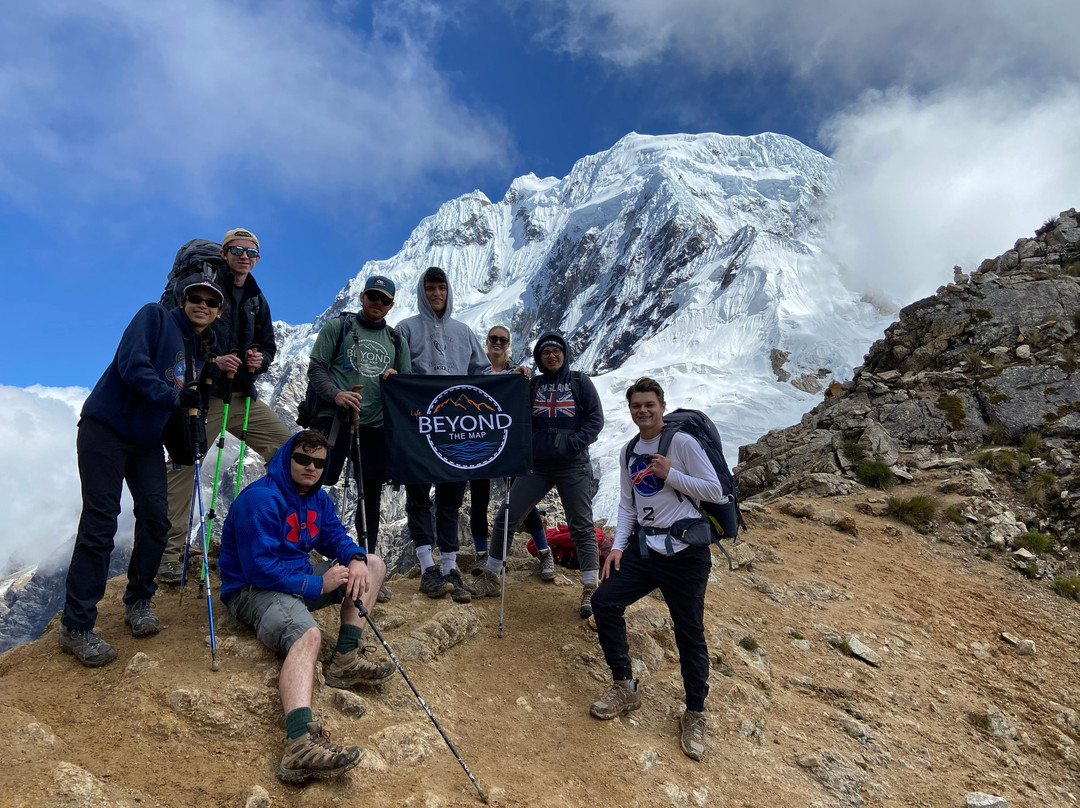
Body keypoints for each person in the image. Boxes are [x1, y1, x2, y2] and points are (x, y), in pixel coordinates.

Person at [58, 278, 224, 667]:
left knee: (155, 518)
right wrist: (174, 397)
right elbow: (132, 365)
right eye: (195, 298)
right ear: (183, 301)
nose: (201, 304)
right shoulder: (154, 317)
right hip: (106, 429)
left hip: (146, 441)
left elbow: (181, 408)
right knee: (101, 522)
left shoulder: (202, 353)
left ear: (218, 312)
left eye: (210, 302)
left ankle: (139, 602)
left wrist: (191, 433)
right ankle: (76, 625)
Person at [218, 430, 393, 784]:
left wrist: (354, 557)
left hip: (295, 577)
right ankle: (299, 743)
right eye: (302, 458)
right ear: (287, 457)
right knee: (308, 636)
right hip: (253, 591)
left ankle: (344, 659)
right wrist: (317, 584)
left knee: (373, 565)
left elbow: (334, 536)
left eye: (319, 462)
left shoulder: (317, 498)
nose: (311, 467)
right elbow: (258, 568)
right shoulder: (261, 500)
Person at [588, 377, 723, 762]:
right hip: (646, 549)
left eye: (649, 405)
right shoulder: (630, 450)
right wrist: (617, 548)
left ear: (662, 406)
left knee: (689, 632)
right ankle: (624, 685)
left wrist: (671, 475)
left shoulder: (681, 443)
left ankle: (695, 712)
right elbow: (629, 505)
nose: (643, 411)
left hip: (685, 554)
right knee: (605, 601)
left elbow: (716, 491)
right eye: (636, 406)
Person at [159, 227, 292, 583]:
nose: (245, 256)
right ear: (224, 253)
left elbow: (268, 345)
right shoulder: (203, 289)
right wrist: (213, 362)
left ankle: (284, 541)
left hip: (243, 395)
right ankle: (170, 556)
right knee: (185, 465)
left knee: (289, 452)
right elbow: (179, 337)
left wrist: (258, 360)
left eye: (252, 252)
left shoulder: (255, 298)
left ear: (258, 258)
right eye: (237, 249)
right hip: (204, 396)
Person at [469, 332, 604, 617]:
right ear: (539, 358)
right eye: (545, 352)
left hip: (573, 464)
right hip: (538, 466)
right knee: (507, 516)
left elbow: (595, 419)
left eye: (556, 351)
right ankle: (492, 576)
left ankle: (592, 587)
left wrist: (572, 443)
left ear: (564, 354)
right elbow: (516, 415)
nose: (552, 356)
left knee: (581, 526)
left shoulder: (580, 383)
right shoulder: (533, 385)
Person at [306, 275, 411, 602]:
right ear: (362, 296)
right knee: (311, 479)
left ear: (391, 305)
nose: (377, 304)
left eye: (384, 300)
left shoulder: (396, 342)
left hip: (375, 427)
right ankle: (294, 554)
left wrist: (396, 379)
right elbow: (316, 369)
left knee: (371, 497)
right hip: (334, 419)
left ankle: (368, 568)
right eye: (373, 297)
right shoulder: (337, 328)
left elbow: (406, 385)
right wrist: (336, 395)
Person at [395, 266, 489, 603]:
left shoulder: (463, 332)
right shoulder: (405, 329)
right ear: (422, 292)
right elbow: (397, 372)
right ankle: (426, 567)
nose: (437, 294)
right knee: (418, 497)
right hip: (419, 427)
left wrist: (511, 377)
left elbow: (482, 372)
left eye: (441, 288)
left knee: (450, 500)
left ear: (449, 292)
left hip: (455, 431)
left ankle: (450, 566)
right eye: (431, 288)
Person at [466, 326, 545, 573]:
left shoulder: (516, 372)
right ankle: (481, 555)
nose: (498, 343)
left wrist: (524, 380)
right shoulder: (474, 370)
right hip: (478, 441)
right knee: (479, 500)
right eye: (494, 339)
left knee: (520, 498)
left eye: (503, 339)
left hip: (506, 443)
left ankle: (544, 552)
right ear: (486, 341)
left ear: (509, 343)